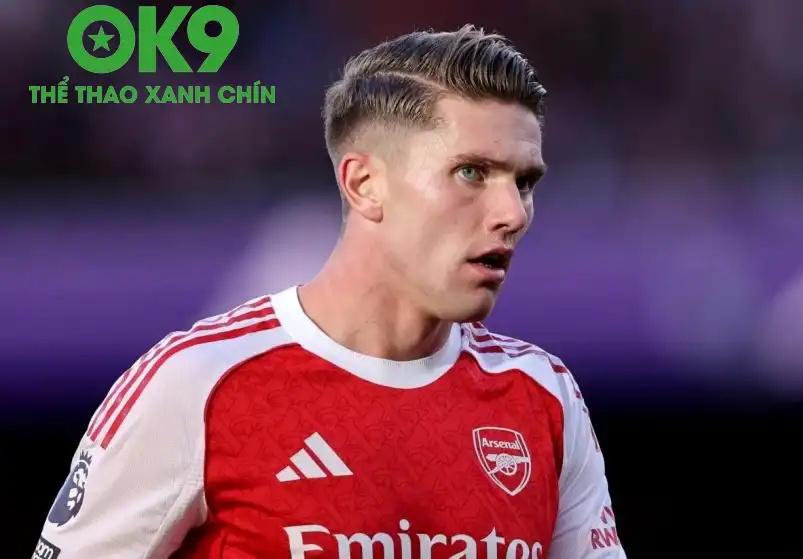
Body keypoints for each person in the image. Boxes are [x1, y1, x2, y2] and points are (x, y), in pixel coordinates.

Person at [33, 25, 625, 559]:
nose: (512, 213)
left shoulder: (543, 396)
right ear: (364, 183)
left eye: (524, 182)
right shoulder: (198, 383)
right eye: (471, 172)